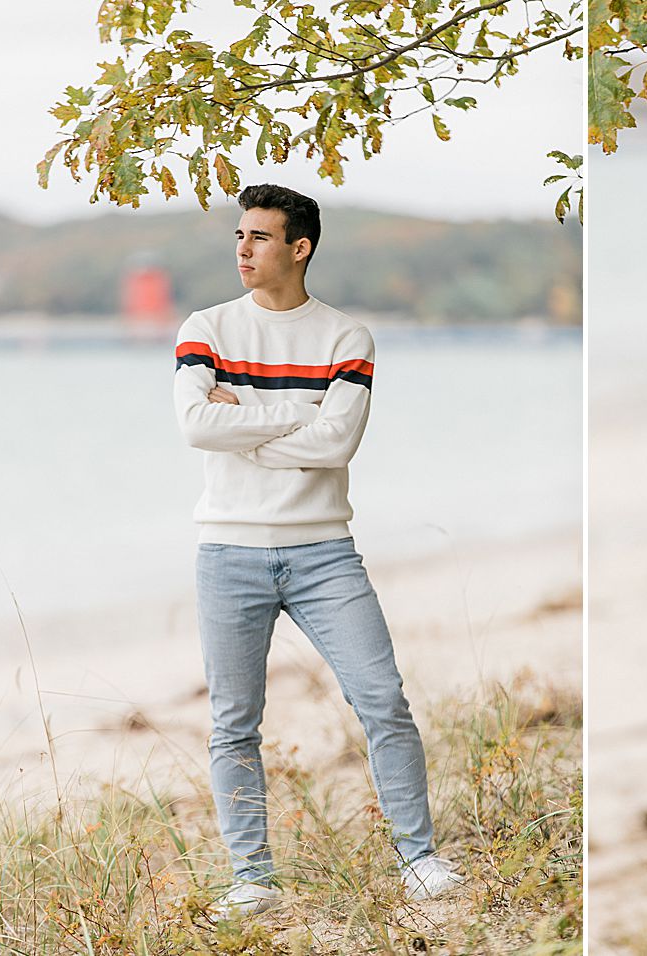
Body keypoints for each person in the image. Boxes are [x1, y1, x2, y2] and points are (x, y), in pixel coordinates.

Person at [172, 183, 464, 918]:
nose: (243, 249)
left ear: (299, 248)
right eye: (239, 236)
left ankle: (419, 859)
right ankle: (252, 879)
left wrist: (251, 416)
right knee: (234, 724)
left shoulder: (346, 338)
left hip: (324, 552)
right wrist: (297, 416)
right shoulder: (204, 328)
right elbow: (197, 428)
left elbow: (338, 442)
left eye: (260, 237)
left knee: (383, 702)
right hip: (228, 551)